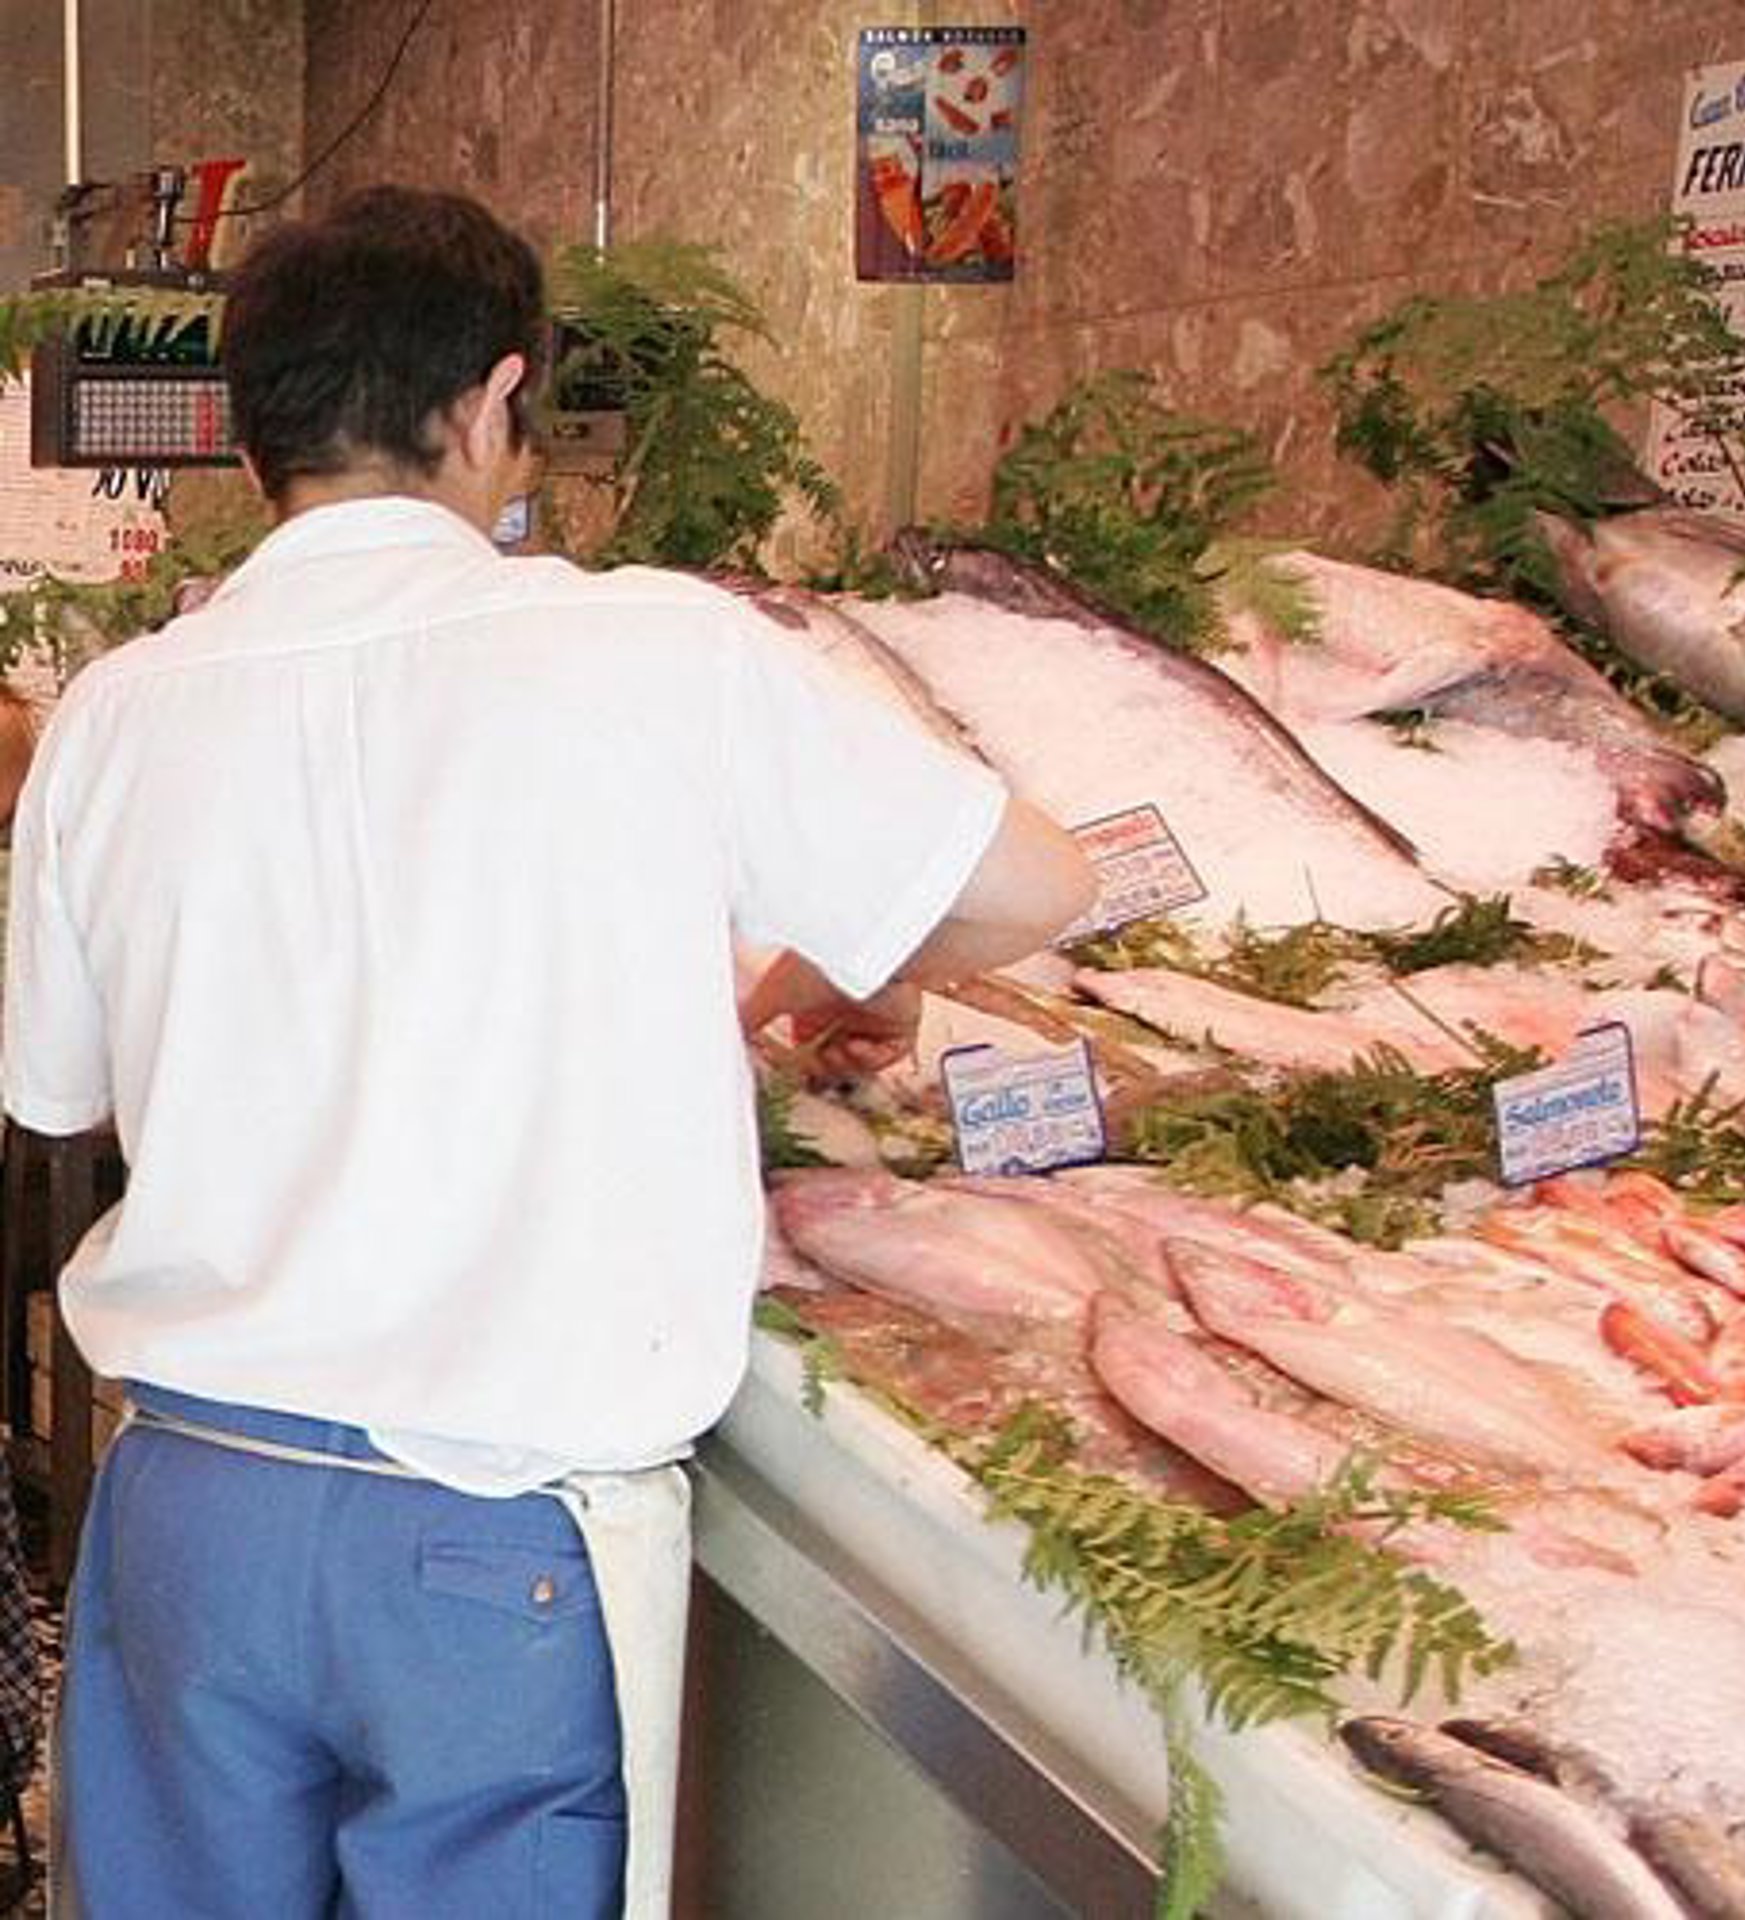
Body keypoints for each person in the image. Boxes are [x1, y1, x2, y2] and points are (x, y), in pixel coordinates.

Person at [2, 185, 1093, 1919]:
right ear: (498, 397)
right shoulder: (654, 645)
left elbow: (56, 1089)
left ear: (247, 430)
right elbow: (1034, 886)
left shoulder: (117, 712)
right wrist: (833, 961)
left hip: (198, 1513)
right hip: (491, 1543)